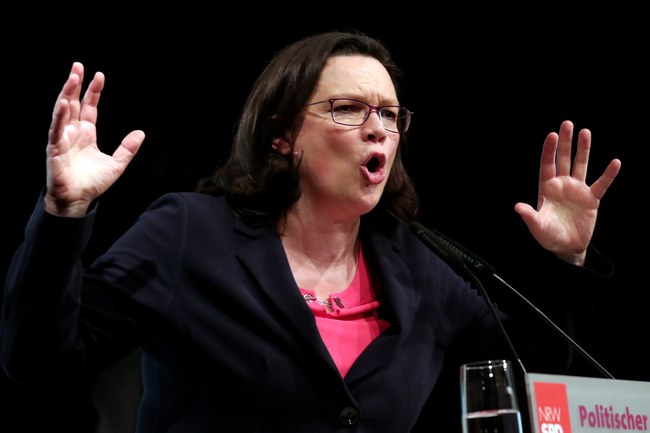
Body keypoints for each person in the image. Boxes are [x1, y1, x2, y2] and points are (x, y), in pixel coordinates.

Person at [0, 30, 621, 433]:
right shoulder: (189, 234)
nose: (377, 129)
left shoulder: (416, 267)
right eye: (347, 109)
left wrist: (564, 259)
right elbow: (40, 360)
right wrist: (63, 213)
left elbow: (520, 377)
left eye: (389, 115)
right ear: (280, 134)